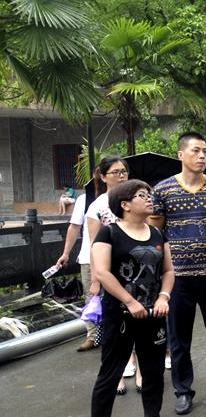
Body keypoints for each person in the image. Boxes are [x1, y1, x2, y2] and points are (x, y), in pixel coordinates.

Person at [84, 179, 174, 417]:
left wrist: (163, 297)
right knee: (110, 372)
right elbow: (102, 272)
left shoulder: (157, 233)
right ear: (125, 204)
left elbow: (168, 271)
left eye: (149, 194)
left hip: (154, 315)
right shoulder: (109, 233)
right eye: (142, 195)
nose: (149, 199)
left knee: (154, 371)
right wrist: (130, 302)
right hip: (119, 315)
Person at [151, 132, 206, 415]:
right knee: (179, 339)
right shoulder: (163, 190)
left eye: (205, 151)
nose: (202, 156)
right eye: (196, 151)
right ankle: (183, 390)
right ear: (181, 154)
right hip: (178, 278)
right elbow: (156, 233)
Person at [86, 157, 139, 393]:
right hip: (111, 273)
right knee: (113, 327)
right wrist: (96, 279)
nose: (121, 176)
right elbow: (94, 245)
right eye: (116, 172)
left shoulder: (136, 198)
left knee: (140, 323)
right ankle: (115, 374)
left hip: (138, 270)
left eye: (124, 171)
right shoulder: (97, 206)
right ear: (103, 176)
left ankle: (138, 366)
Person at [54, 187, 98, 351]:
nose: (120, 176)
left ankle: (116, 335)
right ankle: (93, 336)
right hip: (89, 258)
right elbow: (74, 227)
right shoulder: (84, 200)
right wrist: (66, 253)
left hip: (117, 257)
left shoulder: (125, 197)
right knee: (91, 297)